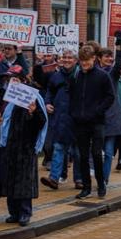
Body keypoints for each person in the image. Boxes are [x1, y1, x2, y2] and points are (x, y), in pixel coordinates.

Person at [0, 65, 48, 225]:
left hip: (25, 146)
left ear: (22, 80)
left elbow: (41, 122)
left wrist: (33, 113)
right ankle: (13, 212)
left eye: (15, 79)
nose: (11, 82)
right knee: (9, 179)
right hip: (6, 146)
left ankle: (25, 213)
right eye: (9, 79)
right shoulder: (2, 98)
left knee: (24, 181)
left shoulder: (31, 97)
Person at [67, 44, 115, 199]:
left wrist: (97, 111)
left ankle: (101, 184)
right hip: (80, 122)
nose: (84, 64)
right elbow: (72, 96)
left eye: (87, 60)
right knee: (82, 155)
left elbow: (110, 96)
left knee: (96, 153)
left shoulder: (102, 76)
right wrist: (74, 113)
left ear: (94, 59)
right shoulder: (76, 76)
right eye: (82, 61)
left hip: (97, 122)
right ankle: (86, 187)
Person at [40, 50, 77, 190]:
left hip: (76, 118)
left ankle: (79, 179)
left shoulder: (80, 75)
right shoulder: (56, 76)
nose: (67, 60)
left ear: (75, 60)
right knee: (58, 147)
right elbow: (49, 91)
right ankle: (54, 178)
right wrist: (47, 102)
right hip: (60, 117)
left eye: (70, 58)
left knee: (77, 150)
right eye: (64, 57)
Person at [99, 50, 121, 182]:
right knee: (96, 152)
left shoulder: (112, 74)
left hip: (111, 118)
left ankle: (104, 180)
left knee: (109, 152)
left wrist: (120, 45)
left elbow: (118, 64)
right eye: (106, 56)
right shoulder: (94, 72)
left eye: (111, 57)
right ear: (99, 58)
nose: (109, 59)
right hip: (96, 117)